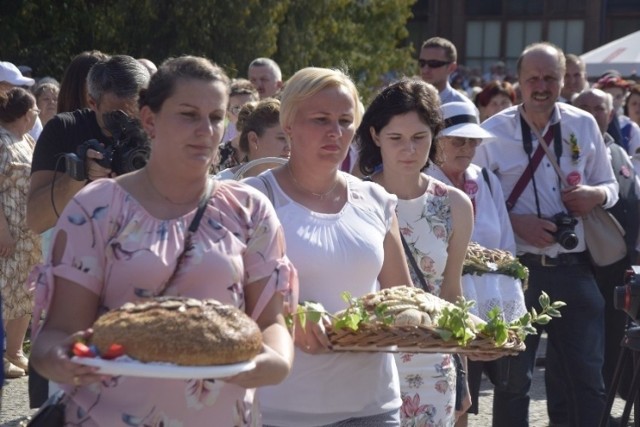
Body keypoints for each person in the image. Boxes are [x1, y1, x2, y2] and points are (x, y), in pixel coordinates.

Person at [29, 55, 297, 426]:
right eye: (188, 114)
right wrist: (60, 358)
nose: (205, 129)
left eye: (216, 117)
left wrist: (277, 361)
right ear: (149, 119)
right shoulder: (96, 208)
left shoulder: (248, 209)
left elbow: (271, 323)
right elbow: (56, 334)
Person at [245, 67, 413, 426]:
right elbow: (231, 298)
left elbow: (402, 297)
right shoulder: (255, 199)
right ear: (288, 124)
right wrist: (291, 313)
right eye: (320, 119)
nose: (335, 133)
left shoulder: (376, 200)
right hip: (284, 409)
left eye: (344, 120)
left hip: (375, 406)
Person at [474, 42, 618, 427]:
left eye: (550, 78)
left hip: (575, 268)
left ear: (562, 80)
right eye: (532, 78)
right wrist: (514, 222)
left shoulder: (583, 123)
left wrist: (596, 194)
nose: (541, 86)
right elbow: (474, 201)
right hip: (517, 273)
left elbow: (611, 184)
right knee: (512, 382)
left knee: (589, 378)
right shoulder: (492, 133)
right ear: (518, 82)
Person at [357, 79, 474, 426]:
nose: (408, 149)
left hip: (433, 361)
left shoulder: (454, 204)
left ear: (434, 136)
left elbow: (453, 294)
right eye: (396, 138)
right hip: (369, 358)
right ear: (376, 136)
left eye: (419, 138)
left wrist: (463, 372)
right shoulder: (352, 196)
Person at [426, 101, 526, 426]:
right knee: (441, 397)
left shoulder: (485, 179)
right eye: (458, 140)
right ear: (436, 139)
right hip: (436, 309)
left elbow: (505, 245)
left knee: (464, 403)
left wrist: (505, 309)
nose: (467, 148)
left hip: (483, 310)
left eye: (473, 141)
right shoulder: (420, 181)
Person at [27, 54, 150, 235]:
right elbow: (35, 221)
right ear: (92, 102)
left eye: (138, 114)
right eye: (117, 116)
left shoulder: (160, 131)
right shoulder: (64, 129)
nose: (128, 123)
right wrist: (78, 175)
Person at [0, 88, 42, 379]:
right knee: (4, 294)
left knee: (24, 295)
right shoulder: (1, 142)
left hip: (29, 238)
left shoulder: (26, 139)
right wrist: (3, 232)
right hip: (8, 236)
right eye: (37, 109)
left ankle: (14, 351)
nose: (38, 113)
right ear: (28, 113)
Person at [216, 98, 289, 180]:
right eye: (282, 138)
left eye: (291, 139)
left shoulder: (299, 184)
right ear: (253, 139)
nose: (289, 147)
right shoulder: (223, 183)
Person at [594, 74, 640, 173]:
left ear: (624, 99)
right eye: (609, 96)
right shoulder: (594, 122)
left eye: (618, 97)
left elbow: (637, 159)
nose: (614, 101)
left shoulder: (630, 127)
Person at [216, 78, 260, 173]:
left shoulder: (268, 151)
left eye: (249, 107)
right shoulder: (218, 154)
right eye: (236, 108)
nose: (242, 114)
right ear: (228, 114)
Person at [418, 37, 475, 108]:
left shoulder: (463, 106)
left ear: (451, 68)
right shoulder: (408, 103)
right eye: (422, 63)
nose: (425, 70)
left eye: (433, 63)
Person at [0, 61, 42, 141]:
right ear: (1, 87)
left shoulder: (30, 114)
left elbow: (39, 148)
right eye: (15, 86)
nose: (21, 91)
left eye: (21, 86)